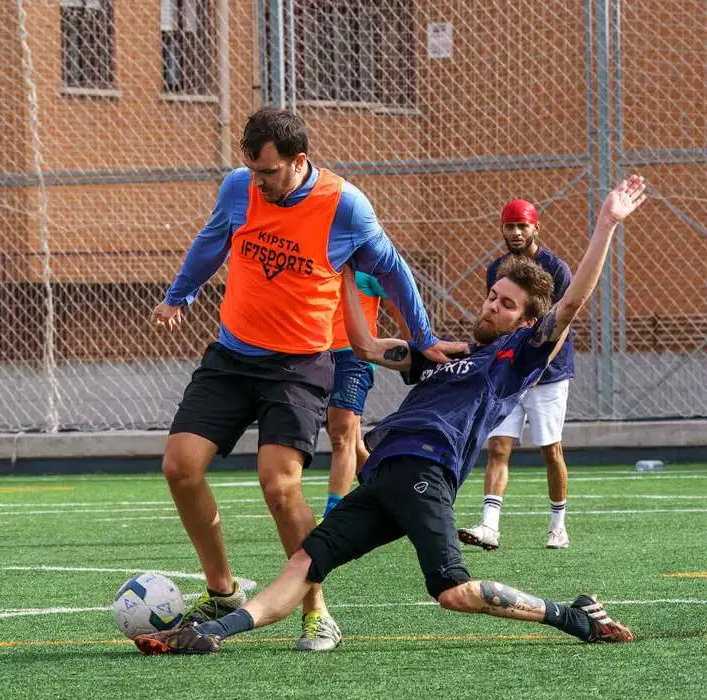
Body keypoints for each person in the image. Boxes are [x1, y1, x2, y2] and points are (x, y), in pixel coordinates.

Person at [134, 175, 645, 657]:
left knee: (451, 590)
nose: (492, 307)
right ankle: (210, 633)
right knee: (304, 563)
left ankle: (576, 617)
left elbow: (574, 301)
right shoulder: (444, 353)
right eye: (492, 296)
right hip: (382, 477)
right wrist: (346, 276)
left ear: (528, 321)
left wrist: (605, 225)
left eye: (507, 305)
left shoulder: (518, 359)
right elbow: (363, 345)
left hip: (425, 473)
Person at [151, 107, 451, 652]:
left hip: (298, 365)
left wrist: (424, 337)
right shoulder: (240, 188)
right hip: (232, 355)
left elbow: (393, 269)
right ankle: (222, 591)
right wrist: (180, 293)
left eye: (269, 173)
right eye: (252, 171)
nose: (258, 183)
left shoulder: (345, 207)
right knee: (180, 466)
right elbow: (213, 239)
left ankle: (316, 609)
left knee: (279, 485)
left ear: (299, 162)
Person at [459, 199, 576, 551]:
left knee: (550, 449)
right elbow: (499, 321)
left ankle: (558, 526)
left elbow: (562, 323)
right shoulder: (497, 268)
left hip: (548, 373)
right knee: (498, 446)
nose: (515, 232)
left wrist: (539, 364)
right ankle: (490, 526)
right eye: (509, 226)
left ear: (535, 228)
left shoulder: (556, 269)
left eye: (521, 226)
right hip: (510, 371)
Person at [324, 272, 387, 518]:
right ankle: (387, 494)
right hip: (316, 353)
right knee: (349, 437)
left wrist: (417, 352)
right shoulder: (318, 255)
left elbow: (401, 303)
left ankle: (334, 514)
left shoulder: (370, 262)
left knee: (341, 435)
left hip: (353, 356)